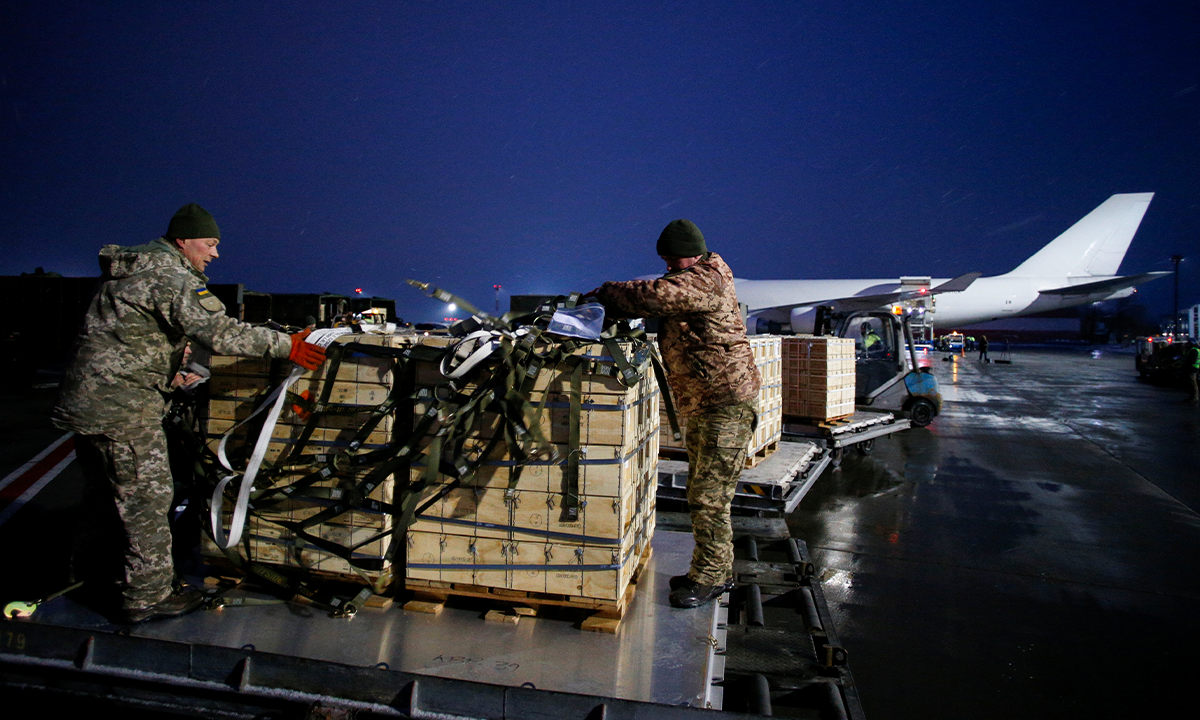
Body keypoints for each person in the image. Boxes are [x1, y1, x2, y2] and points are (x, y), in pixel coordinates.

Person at [52, 203, 327, 624]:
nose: (214, 254)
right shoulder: (169, 276)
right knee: (147, 498)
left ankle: (90, 576)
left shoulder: (133, 270)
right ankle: (146, 596)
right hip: (124, 407)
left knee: (104, 497)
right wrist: (286, 345)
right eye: (209, 244)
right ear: (183, 241)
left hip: (90, 402)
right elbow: (219, 332)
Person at [590, 219, 760, 608]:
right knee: (703, 491)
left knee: (709, 496)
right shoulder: (694, 275)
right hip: (709, 402)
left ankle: (713, 577)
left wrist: (608, 292)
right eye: (664, 260)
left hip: (725, 404)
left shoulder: (707, 278)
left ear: (694, 253)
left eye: (673, 259)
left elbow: (657, 297)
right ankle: (713, 567)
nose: (668, 266)